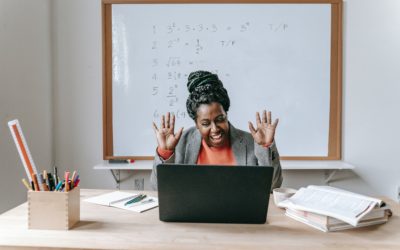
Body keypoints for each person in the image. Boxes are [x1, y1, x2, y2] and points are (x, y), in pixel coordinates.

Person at [150, 70, 282, 191]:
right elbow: (158, 190)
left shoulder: (252, 142)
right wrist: (165, 153)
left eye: (220, 119)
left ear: (226, 115)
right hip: (193, 216)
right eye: (206, 123)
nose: (214, 129)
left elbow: (273, 187)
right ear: (196, 124)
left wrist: (265, 147)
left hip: (238, 215)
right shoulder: (180, 143)